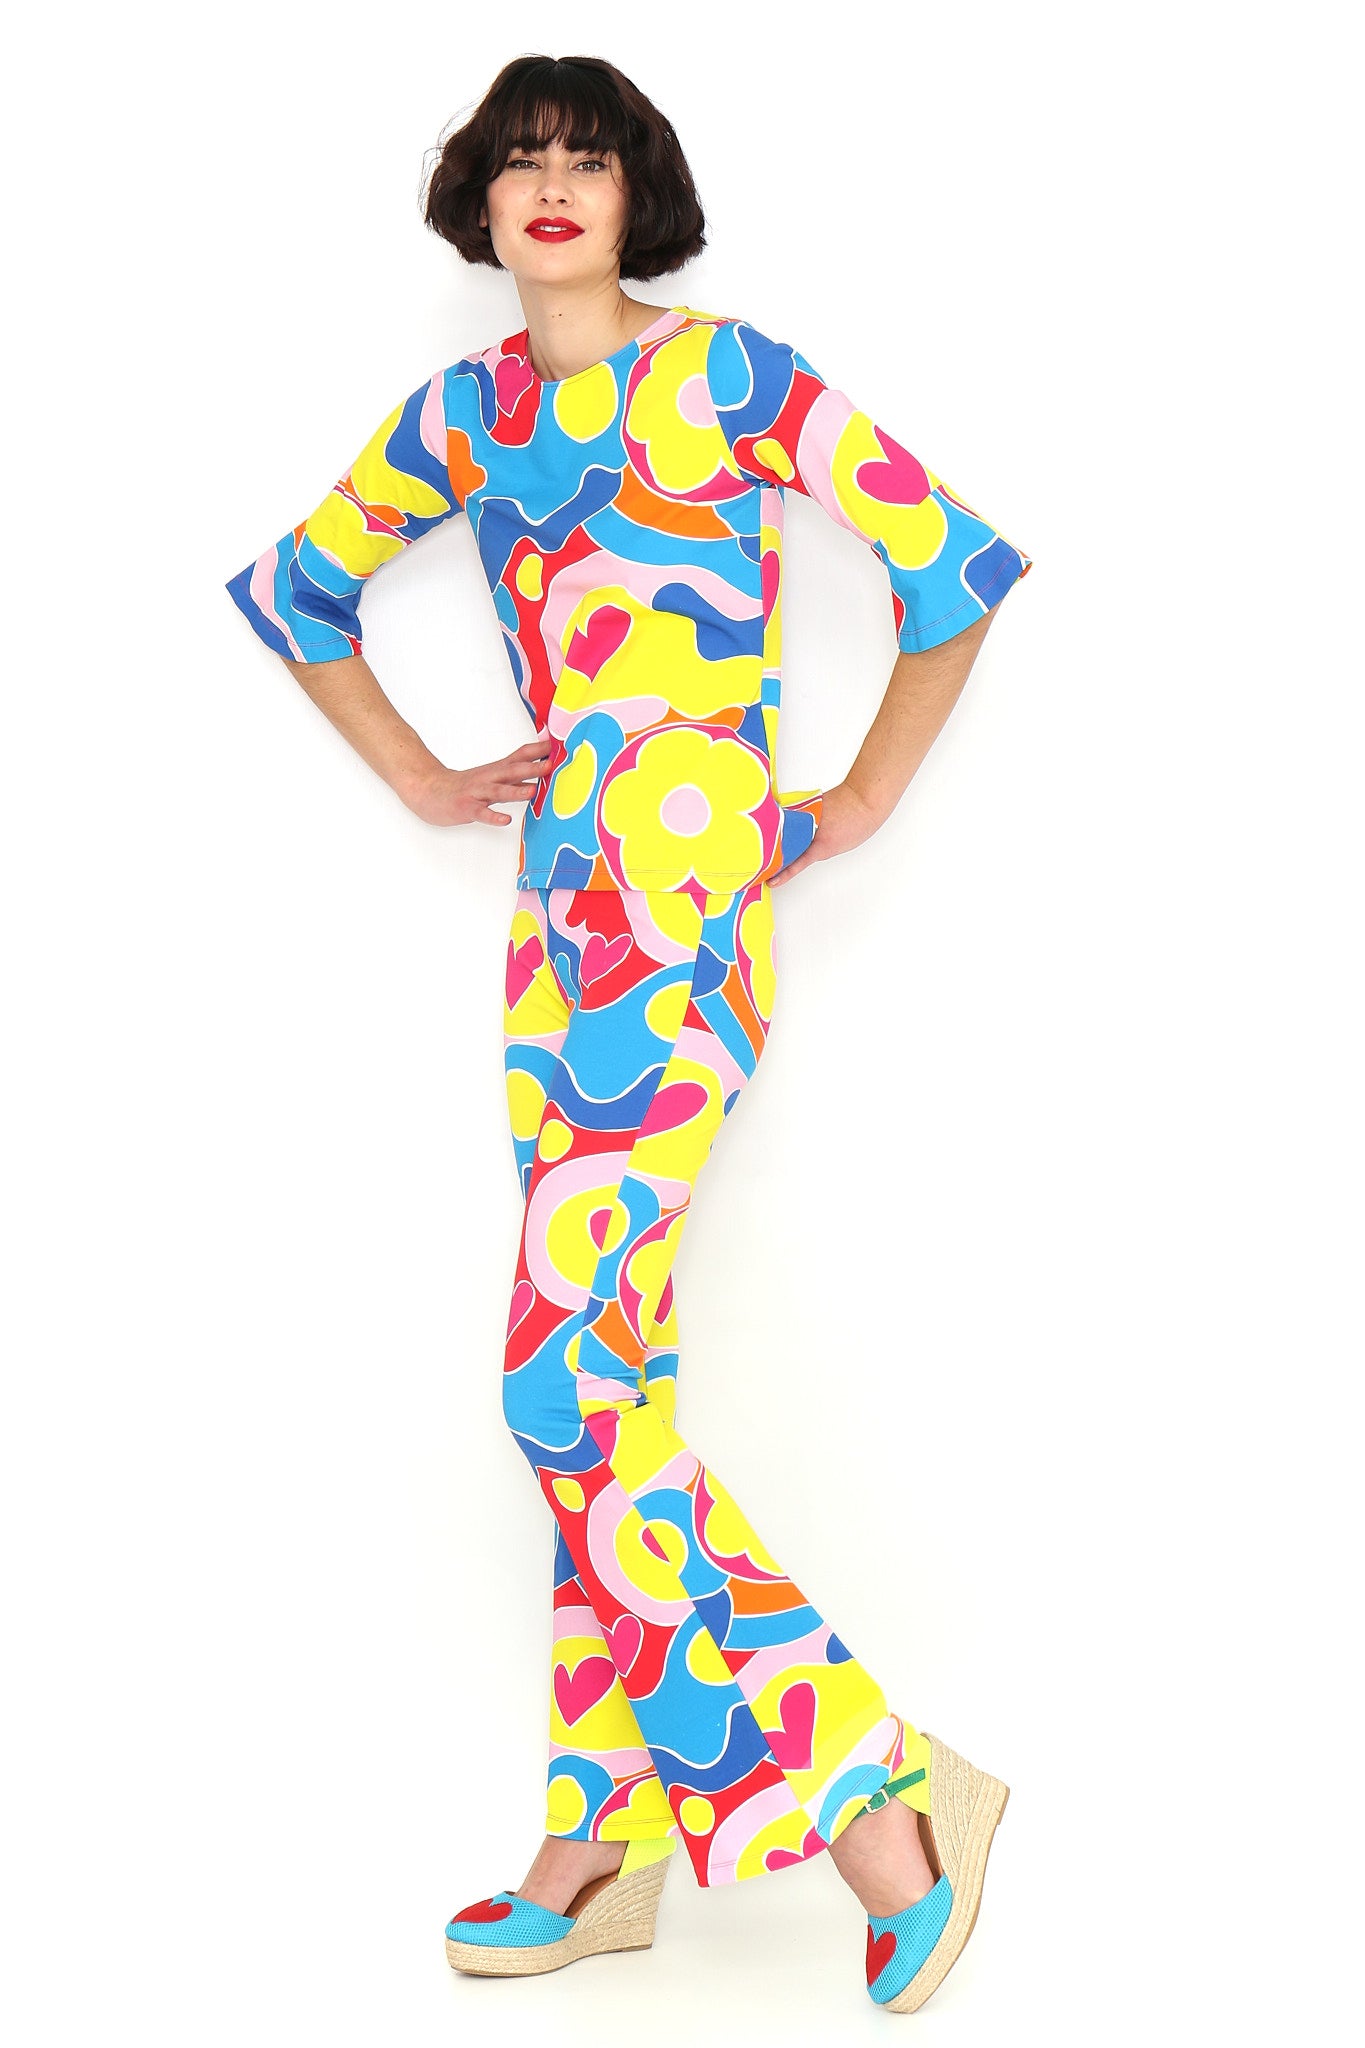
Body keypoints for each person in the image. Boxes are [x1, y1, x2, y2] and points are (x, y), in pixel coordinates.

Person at [225, 51, 1032, 2014]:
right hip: (557, 921)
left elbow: (948, 567)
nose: (553, 185)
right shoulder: (464, 413)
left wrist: (858, 797)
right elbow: (301, 593)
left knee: (559, 1395)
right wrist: (424, 776)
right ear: (481, 202)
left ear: (634, 192)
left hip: (683, 915)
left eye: (587, 158)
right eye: (521, 160)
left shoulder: (730, 377)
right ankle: (593, 1843)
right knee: (606, 1396)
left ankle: (880, 1790)